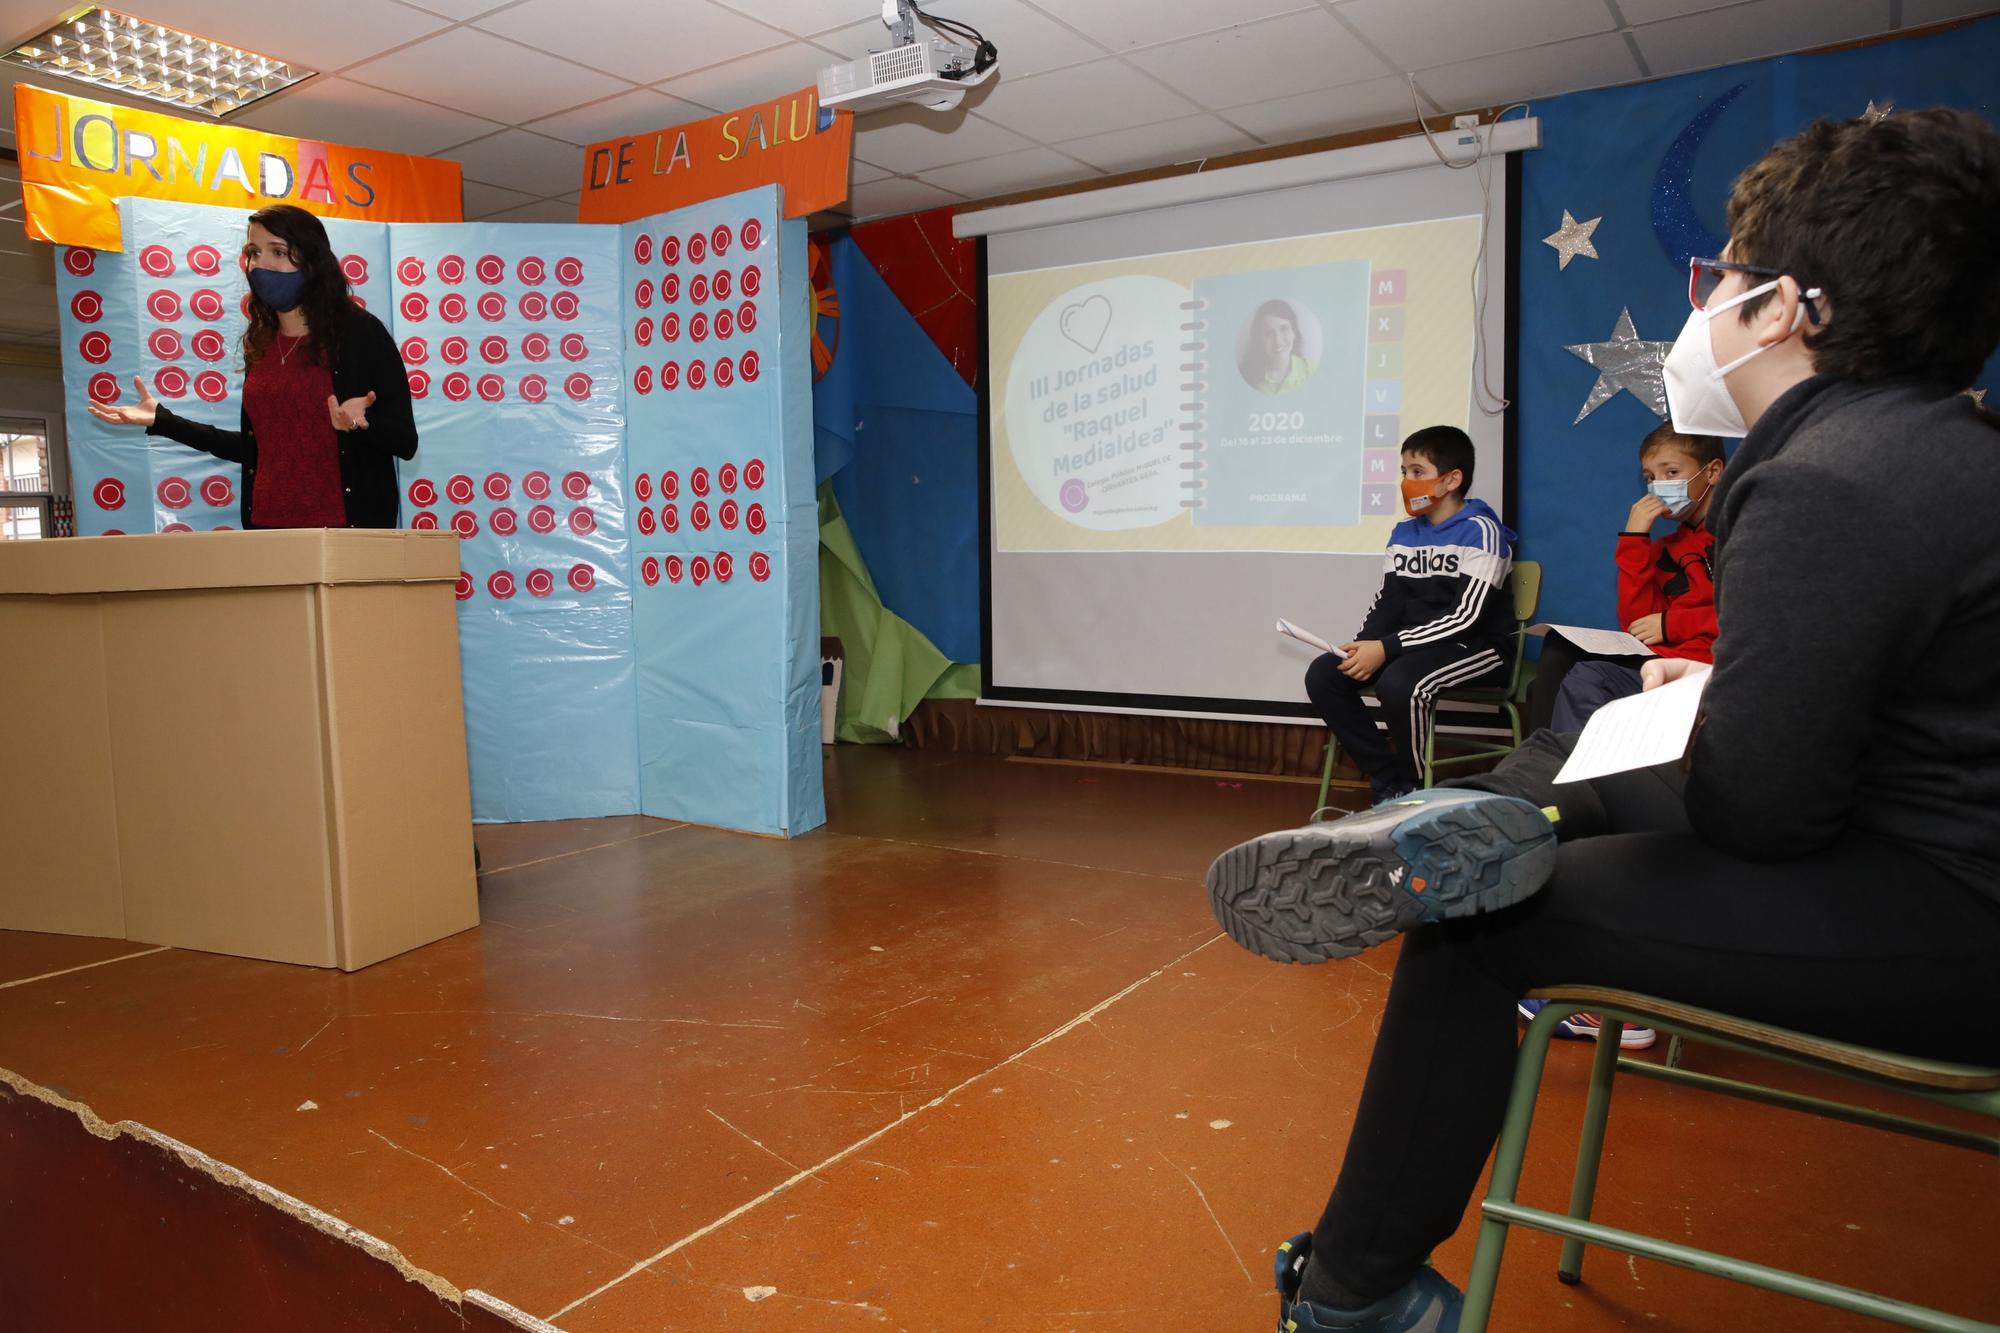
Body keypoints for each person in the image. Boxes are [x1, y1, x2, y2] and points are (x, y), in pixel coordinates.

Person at [1208, 107, 2000, 1333]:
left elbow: (1763, 813)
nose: (1706, 306)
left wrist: (1726, 711)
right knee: (1586, 755)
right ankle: (1451, 818)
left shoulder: (1825, 480)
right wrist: (1728, 698)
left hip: (1951, 919)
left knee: (1484, 920)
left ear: (1785, 308)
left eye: (1720, 278)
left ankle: (1349, 1293)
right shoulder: (1937, 446)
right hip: (1928, 849)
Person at [87, 204, 416, 529]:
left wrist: (363, 423)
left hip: (345, 537)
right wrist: (164, 421)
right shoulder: (262, 343)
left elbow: (405, 442)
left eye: (278, 252)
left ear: (314, 261)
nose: (261, 265)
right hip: (267, 535)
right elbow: (257, 450)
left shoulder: (361, 333)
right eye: (254, 252)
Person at [1306, 425, 1514, 806]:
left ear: (1451, 479)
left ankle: (1414, 788)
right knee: (1324, 673)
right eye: (1404, 472)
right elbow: (1390, 603)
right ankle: (1389, 777)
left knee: (1401, 683)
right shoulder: (1404, 533)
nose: (1406, 481)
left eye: (1417, 472)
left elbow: (1466, 617)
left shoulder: (1482, 531)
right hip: (1411, 647)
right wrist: (1366, 645)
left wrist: (1386, 648)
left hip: (1476, 648)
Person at [1526, 425, 1722, 737]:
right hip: (1661, 657)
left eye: (1671, 472)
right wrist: (1635, 538)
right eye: (1650, 478)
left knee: (1583, 678)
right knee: (1558, 649)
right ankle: (1541, 766)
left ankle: (1550, 768)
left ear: (1712, 472)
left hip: (1705, 662)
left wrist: (1672, 625)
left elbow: (1751, 616)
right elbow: (1638, 624)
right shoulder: (1665, 549)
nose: (1659, 486)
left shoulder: (1739, 532)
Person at [1241, 299, 1314, 394]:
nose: (1278, 341)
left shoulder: (1310, 369)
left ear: (1294, 332)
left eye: (1283, 329)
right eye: (1269, 333)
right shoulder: (1248, 378)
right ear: (1260, 341)